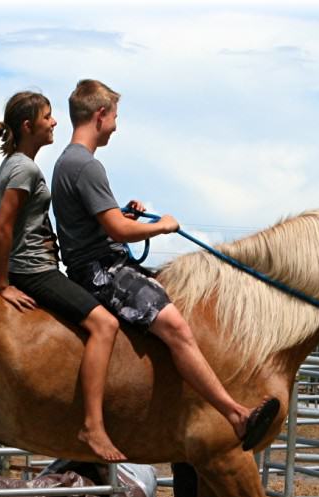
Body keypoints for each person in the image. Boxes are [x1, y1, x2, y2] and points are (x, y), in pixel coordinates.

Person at [51, 79, 280, 452]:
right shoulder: (86, 166)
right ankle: (236, 416)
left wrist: (127, 212)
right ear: (100, 114)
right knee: (177, 326)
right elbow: (117, 230)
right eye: (115, 117)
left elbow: (103, 220)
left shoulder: (69, 162)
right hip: (102, 270)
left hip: (93, 263)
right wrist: (162, 226)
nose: (116, 126)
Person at [0, 91, 127, 463]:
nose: (54, 122)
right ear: (29, 126)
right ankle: (92, 425)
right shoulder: (24, 169)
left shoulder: (13, 164)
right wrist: (1, 284)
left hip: (27, 267)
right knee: (104, 325)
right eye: (47, 116)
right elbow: (0, 228)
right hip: (35, 269)